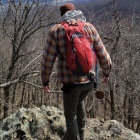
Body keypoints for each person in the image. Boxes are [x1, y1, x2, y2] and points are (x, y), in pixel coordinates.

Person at [41, 3, 112, 140]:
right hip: (89, 81)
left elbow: (47, 60)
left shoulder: (56, 30)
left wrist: (45, 80)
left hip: (70, 83)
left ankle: (73, 137)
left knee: (70, 113)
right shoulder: (88, 27)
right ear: (75, 12)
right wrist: (106, 72)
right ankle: (82, 134)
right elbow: (102, 53)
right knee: (80, 103)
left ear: (62, 15)